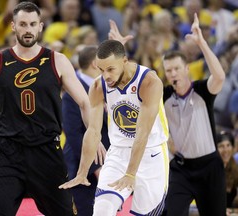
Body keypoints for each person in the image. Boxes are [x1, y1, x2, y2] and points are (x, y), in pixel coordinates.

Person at [0, 2, 92, 215]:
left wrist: (94, 135)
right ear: (13, 26)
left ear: (41, 26)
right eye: (23, 24)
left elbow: (84, 102)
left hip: (46, 151)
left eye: (32, 24)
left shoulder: (58, 60)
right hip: (7, 151)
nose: (28, 29)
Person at [60, 39, 170, 215]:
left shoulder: (149, 82)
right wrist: (82, 173)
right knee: (102, 210)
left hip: (151, 153)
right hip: (118, 152)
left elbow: (142, 133)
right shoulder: (98, 85)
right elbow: (93, 131)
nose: (106, 76)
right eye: (101, 70)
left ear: (124, 61)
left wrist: (131, 174)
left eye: (111, 69)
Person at [162, 13, 226, 216]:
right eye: (168, 70)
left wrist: (201, 43)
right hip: (181, 169)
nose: (172, 74)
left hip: (210, 167)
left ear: (187, 69)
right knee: (170, 212)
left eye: (176, 69)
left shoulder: (201, 91)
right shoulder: (164, 96)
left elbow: (219, 76)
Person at [62, 45, 110, 216]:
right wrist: (96, 167)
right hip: (85, 171)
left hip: (108, 166)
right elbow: (74, 135)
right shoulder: (72, 93)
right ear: (95, 64)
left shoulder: (106, 87)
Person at [216, 130, 238, 212]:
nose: (225, 150)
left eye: (228, 145)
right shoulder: (210, 171)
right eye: (221, 146)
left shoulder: (235, 168)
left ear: (232, 148)